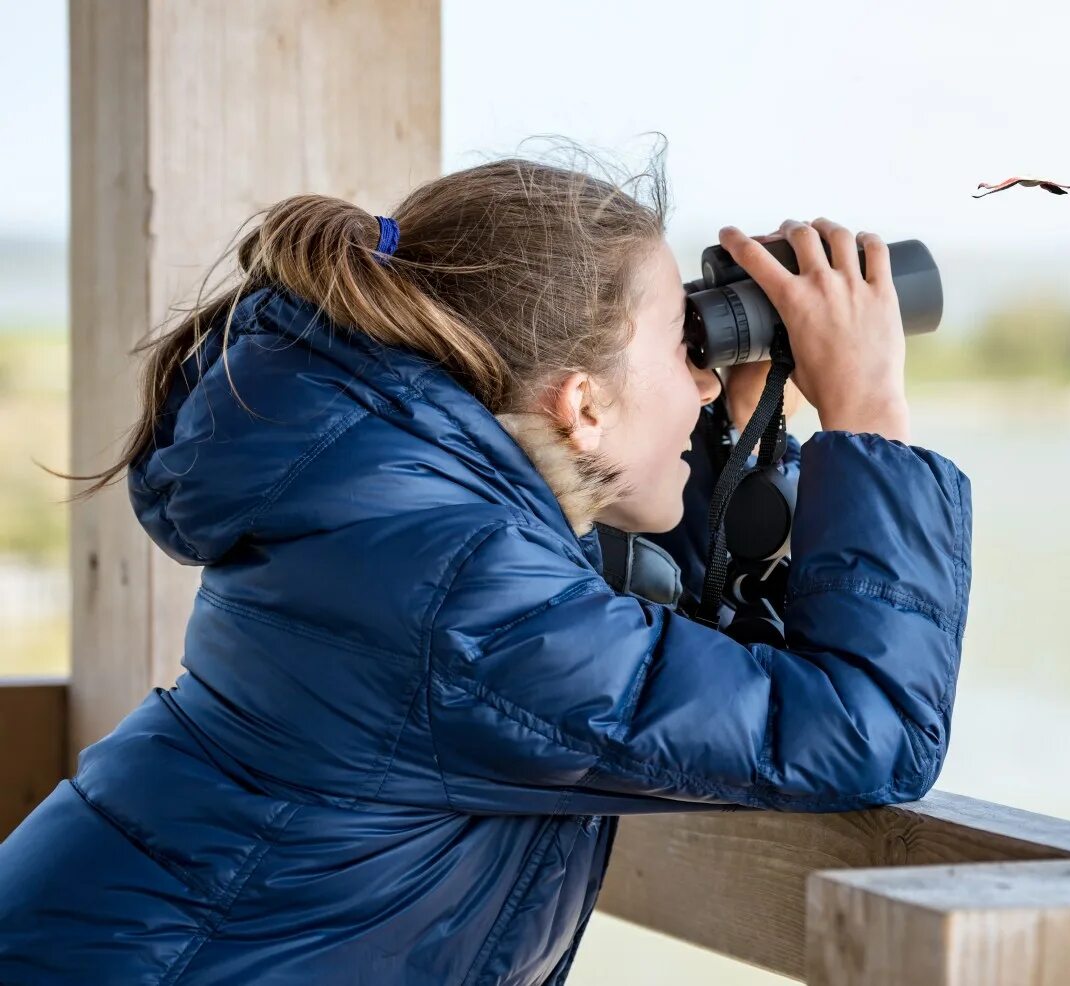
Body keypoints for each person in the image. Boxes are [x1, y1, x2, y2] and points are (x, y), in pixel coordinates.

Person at [0, 150, 972, 985]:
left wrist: (745, 431)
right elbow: (863, 726)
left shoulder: (404, 517)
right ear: (582, 404)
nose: (710, 373)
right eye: (687, 345)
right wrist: (871, 411)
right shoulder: (455, 591)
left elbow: (698, 677)